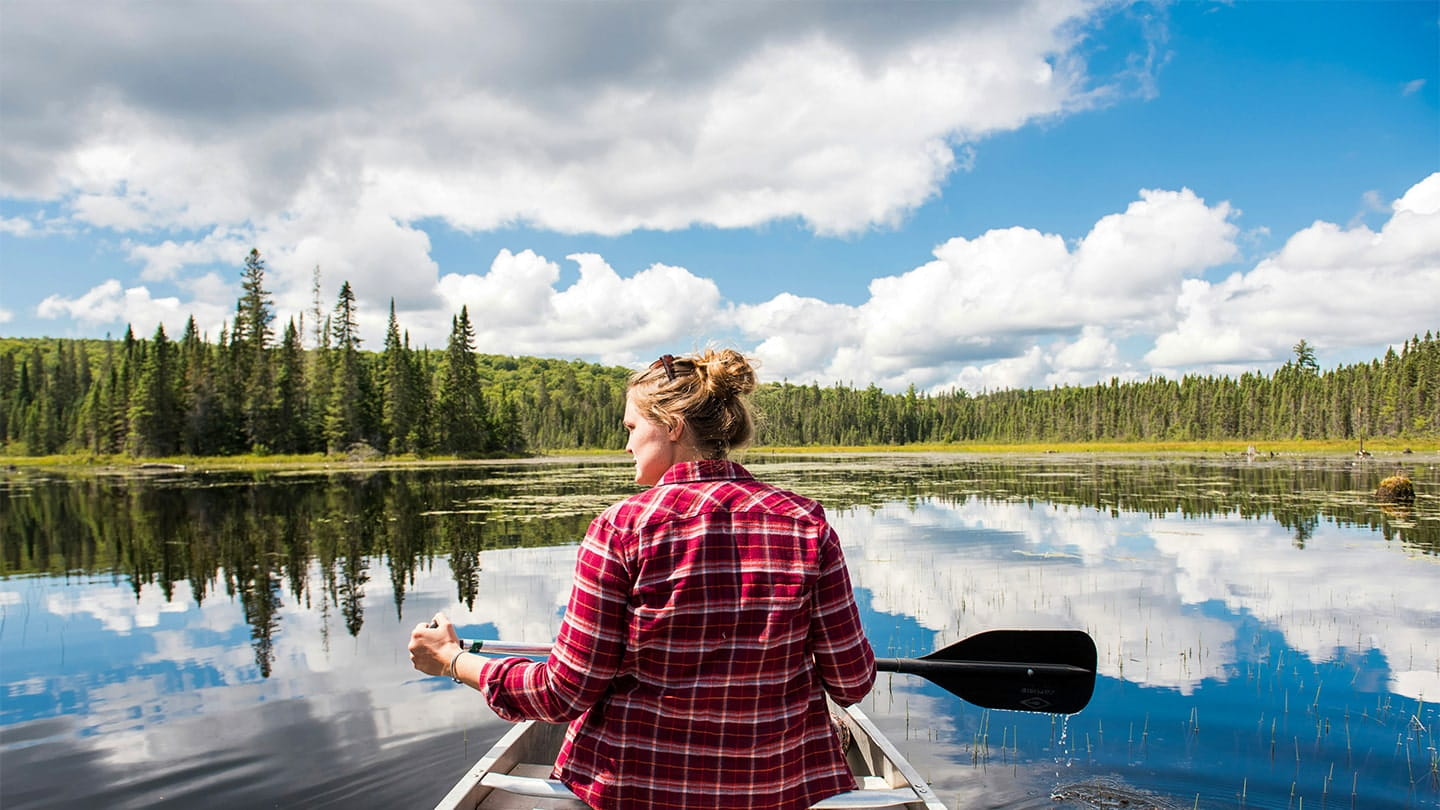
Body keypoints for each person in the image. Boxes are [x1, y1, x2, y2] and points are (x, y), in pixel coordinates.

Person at [409, 348, 876, 810]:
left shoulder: (620, 528)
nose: (626, 445)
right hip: (775, 791)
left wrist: (452, 660)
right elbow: (852, 682)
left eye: (632, 428)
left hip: (634, 790)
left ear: (671, 427)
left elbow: (562, 693)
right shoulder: (806, 522)